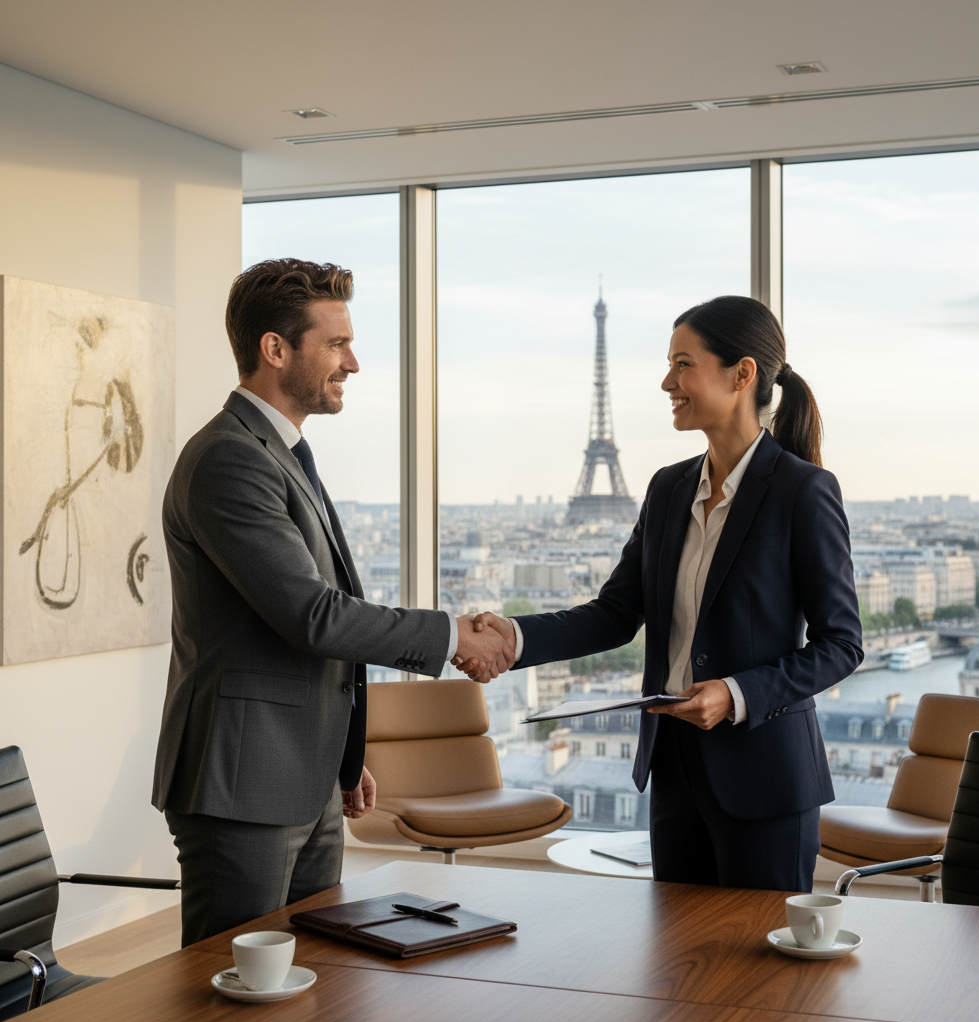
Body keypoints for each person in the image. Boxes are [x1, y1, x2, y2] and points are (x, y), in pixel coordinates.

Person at [153, 259, 513, 945]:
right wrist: (451, 637)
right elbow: (312, 615)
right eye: (337, 343)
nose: (354, 362)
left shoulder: (281, 452)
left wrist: (344, 759)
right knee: (230, 986)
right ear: (276, 349)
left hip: (303, 774)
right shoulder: (230, 459)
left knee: (317, 971)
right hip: (243, 781)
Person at [461, 296, 862, 891]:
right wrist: (514, 636)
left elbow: (841, 645)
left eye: (683, 363)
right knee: (677, 966)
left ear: (742, 374)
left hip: (764, 776)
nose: (667, 381)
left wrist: (735, 693)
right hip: (674, 767)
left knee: (760, 975)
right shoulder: (668, 488)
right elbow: (616, 613)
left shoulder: (803, 492)